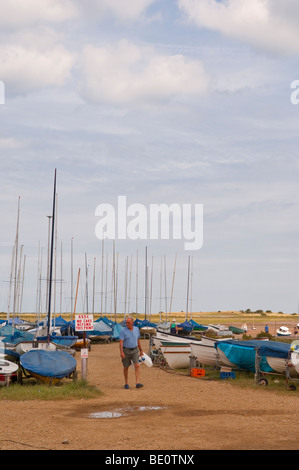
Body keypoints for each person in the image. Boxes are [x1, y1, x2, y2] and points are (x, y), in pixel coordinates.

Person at [119, 316, 143, 389]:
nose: (127, 324)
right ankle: (126, 383)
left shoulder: (136, 329)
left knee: (137, 365)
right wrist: (121, 352)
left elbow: (138, 340)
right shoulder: (123, 331)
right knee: (126, 367)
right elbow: (121, 342)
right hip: (126, 350)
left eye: (129, 323)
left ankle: (137, 382)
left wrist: (141, 350)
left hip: (135, 350)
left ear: (132, 323)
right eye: (126, 323)